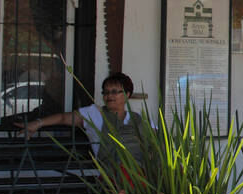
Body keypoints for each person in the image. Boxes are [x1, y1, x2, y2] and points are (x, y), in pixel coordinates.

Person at [18, 72, 152, 173]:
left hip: (139, 174)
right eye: (105, 92)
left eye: (114, 92)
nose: (109, 96)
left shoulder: (138, 119)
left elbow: (157, 141)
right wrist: (37, 123)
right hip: (113, 175)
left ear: (127, 94)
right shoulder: (94, 114)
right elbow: (63, 118)